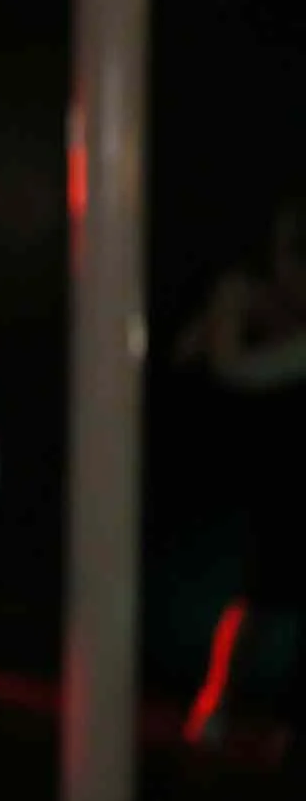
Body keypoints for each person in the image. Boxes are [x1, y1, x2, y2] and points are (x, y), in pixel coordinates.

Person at [177, 197, 306, 756]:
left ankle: (283, 724)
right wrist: (222, 316)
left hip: (287, 484)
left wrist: (228, 325)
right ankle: (219, 705)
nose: (286, 273)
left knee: (270, 604)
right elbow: (187, 357)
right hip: (269, 486)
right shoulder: (264, 306)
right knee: (255, 602)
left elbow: (240, 373)